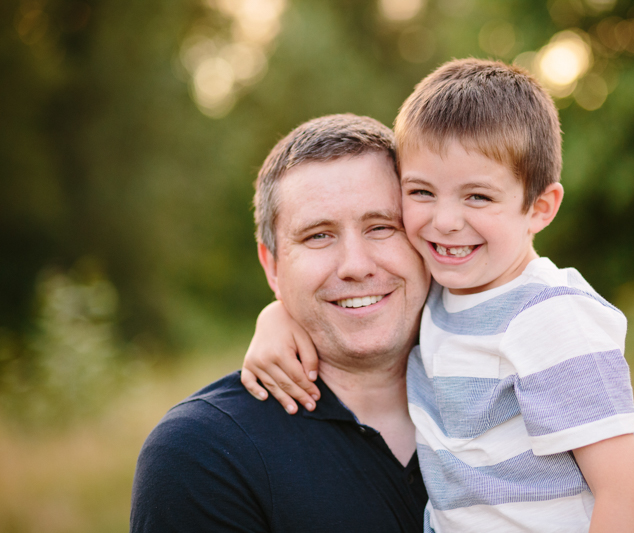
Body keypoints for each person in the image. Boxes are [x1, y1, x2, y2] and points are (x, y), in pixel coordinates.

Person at [242, 59, 634, 532]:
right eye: (421, 192)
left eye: (477, 197)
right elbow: (357, 304)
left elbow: (626, 494)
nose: (445, 221)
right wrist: (276, 317)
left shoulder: (551, 317)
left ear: (539, 207)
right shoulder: (449, 292)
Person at [130, 114, 431, 532]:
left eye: (382, 227)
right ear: (271, 266)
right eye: (318, 236)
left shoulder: (517, 390)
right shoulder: (204, 455)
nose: (355, 266)